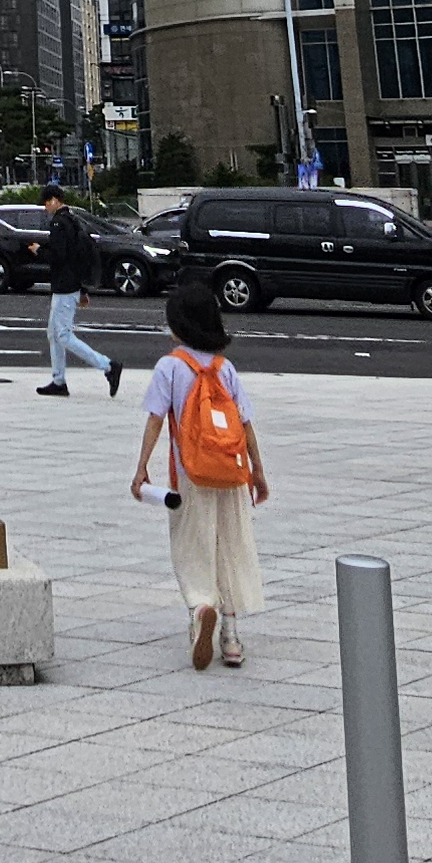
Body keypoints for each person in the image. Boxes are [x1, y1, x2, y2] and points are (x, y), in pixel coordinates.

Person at [129, 281, 267, 668]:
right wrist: (257, 470)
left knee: (192, 545)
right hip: (232, 473)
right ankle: (231, 636)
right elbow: (245, 424)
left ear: (180, 325)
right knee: (229, 546)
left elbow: (156, 420)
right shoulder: (226, 369)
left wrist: (141, 468)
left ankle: (201, 607)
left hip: (191, 474)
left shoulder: (170, 367)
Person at [34, 187, 121, 399]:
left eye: (46, 203)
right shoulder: (73, 220)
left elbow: (58, 256)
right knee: (54, 333)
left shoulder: (58, 223)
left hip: (64, 286)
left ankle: (108, 366)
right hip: (71, 285)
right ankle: (58, 381)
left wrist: (38, 250)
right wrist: (82, 288)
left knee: (63, 334)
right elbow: (78, 257)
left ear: (54, 200)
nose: (45, 208)